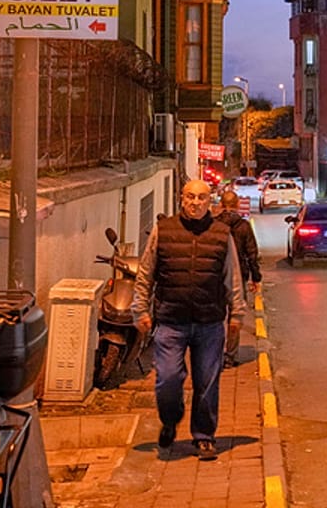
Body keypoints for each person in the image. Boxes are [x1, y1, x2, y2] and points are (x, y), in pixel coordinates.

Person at [133, 179, 247, 461]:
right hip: (171, 322)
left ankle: (204, 436)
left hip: (209, 323)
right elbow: (146, 272)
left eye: (202, 198)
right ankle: (170, 420)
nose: (196, 203)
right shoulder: (163, 230)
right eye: (190, 197)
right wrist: (140, 309)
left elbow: (232, 276)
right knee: (168, 379)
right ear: (181, 199)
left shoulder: (222, 234)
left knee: (207, 382)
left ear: (210, 201)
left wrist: (237, 314)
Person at [216, 191, 261, 366]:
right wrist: (256, 278)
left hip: (216, 276)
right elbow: (252, 254)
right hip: (238, 276)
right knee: (235, 316)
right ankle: (230, 355)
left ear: (221, 204)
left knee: (216, 317)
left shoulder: (213, 225)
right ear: (237, 204)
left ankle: (215, 353)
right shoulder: (244, 226)